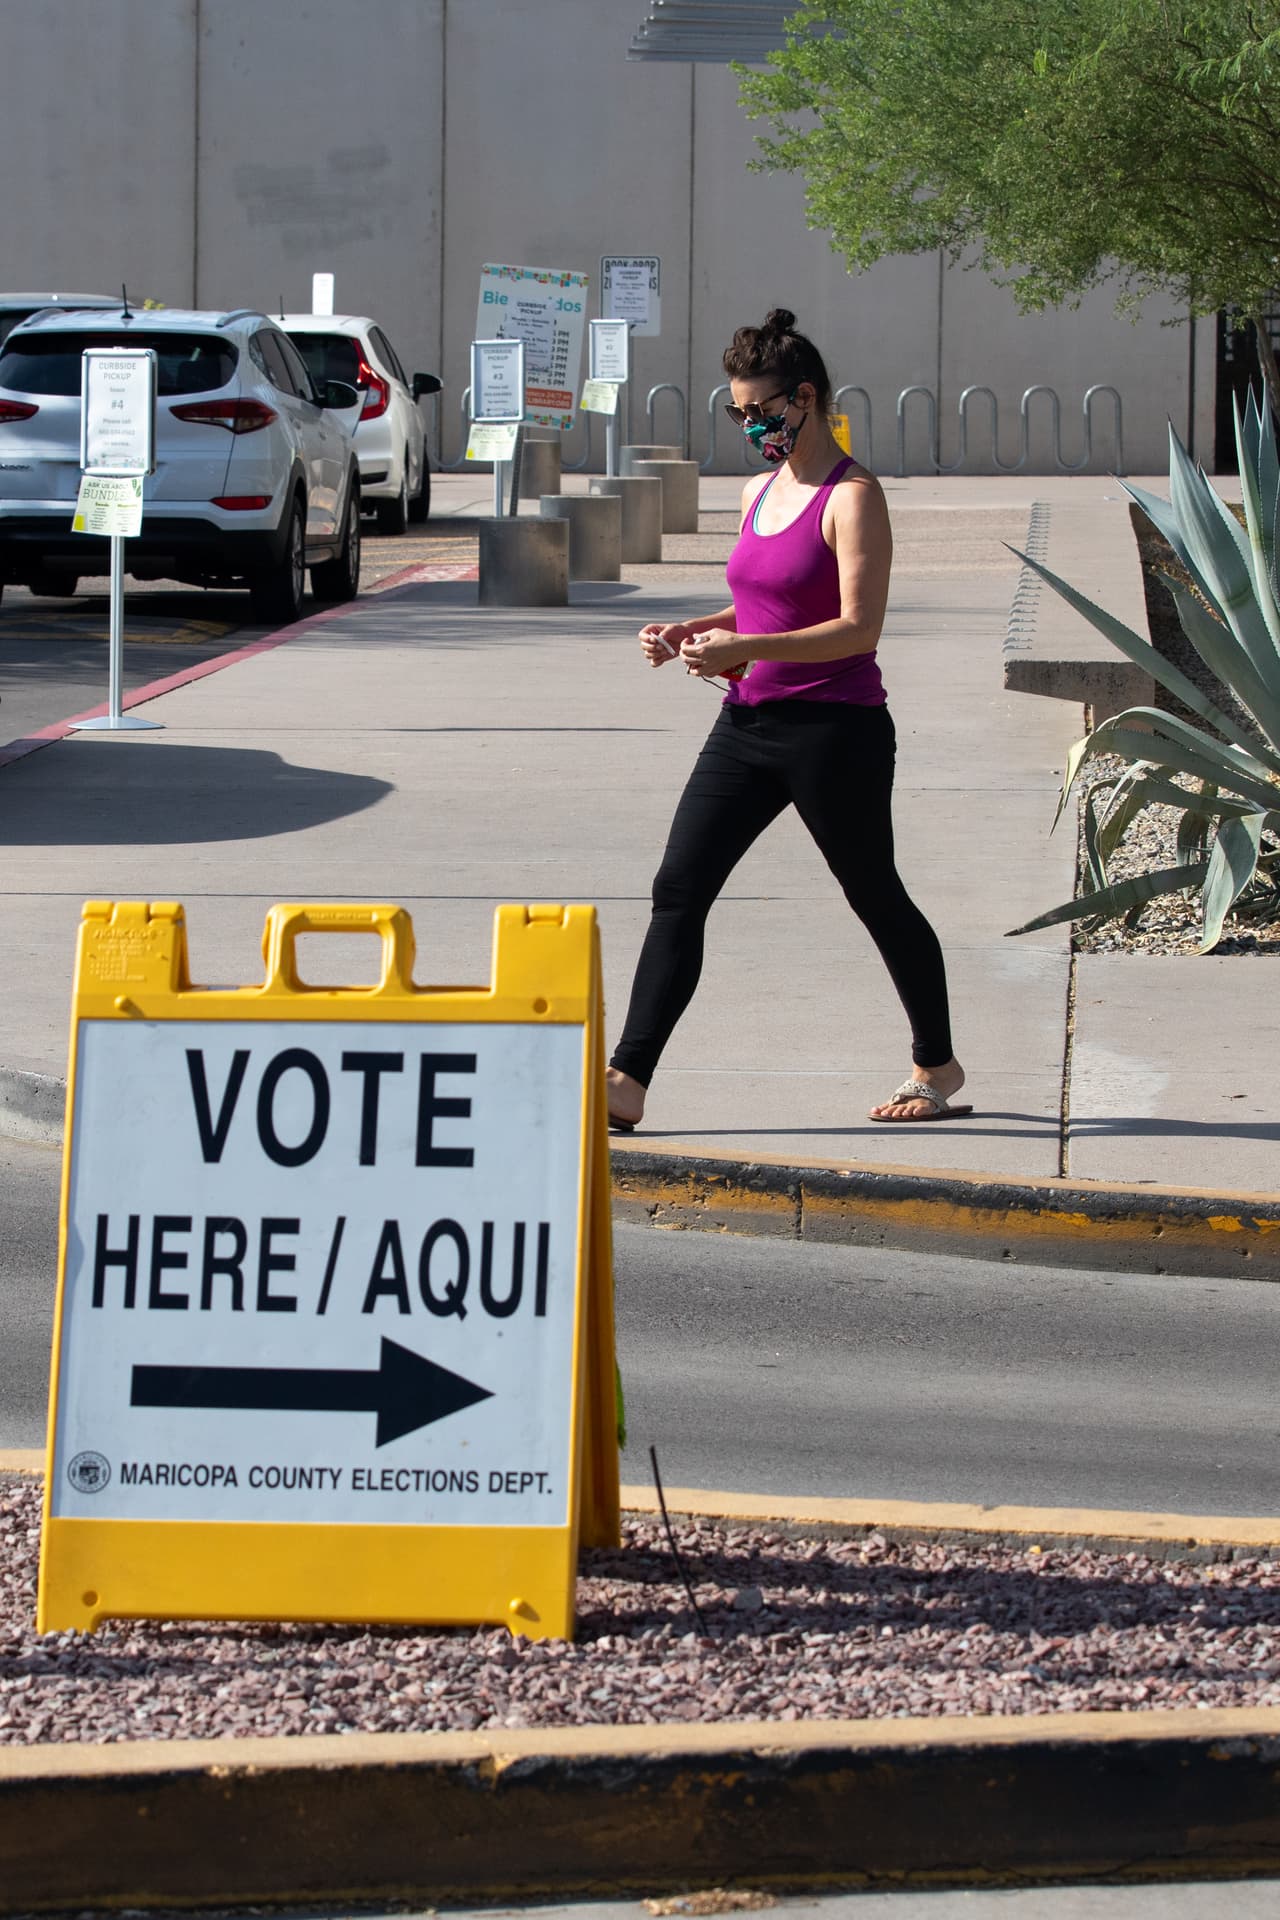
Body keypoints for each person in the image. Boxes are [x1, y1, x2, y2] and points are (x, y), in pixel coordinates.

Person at [605, 308, 970, 1133]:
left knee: (874, 894)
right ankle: (627, 1080)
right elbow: (757, 601)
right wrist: (694, 634)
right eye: (737, 413)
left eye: (759, 412)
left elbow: (857, 627)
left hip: (835, 731)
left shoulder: (855, 497)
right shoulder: (757, 490)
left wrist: (743, 642)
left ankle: (936, 1067)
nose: (749, 426)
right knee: (679, 889)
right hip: (747, 722)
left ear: (805, 398)